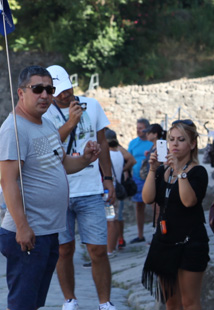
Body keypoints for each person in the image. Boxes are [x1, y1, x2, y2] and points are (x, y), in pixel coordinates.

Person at [0, 65, 101, 310]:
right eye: (38, 89)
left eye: (49, 89)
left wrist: (86, 158)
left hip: (48, 231)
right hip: (28, 235)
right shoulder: (14, 129)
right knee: (22, 303)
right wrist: (22, 227)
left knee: (33, 303)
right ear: (21, 92)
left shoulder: (44, 125)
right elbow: (7, 180)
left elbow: (60, 163)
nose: (45, 95)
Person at [44, 64, 117, 310]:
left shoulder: (92, 105)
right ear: (50, 92)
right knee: (64, 250)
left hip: (90, 189)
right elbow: (48, 147)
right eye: (59, 91)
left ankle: (105, 302)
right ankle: (69, 300)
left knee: (97, 249)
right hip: (59, 191)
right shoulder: (43, 114)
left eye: (68, 89)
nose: (65, 95)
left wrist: (108, 179)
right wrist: (71, 122)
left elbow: (103, 143)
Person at [141, 120, 210, 309]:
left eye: (181, 139)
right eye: (171, 139)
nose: (174, 144)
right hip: (164, 242)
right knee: (171, 302)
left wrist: (180, 171)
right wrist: (153, 169)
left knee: (189, 302)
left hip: (190, 243)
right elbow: (148, 198)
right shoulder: (163, 170)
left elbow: (189, 201)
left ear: (192, 144)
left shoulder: (198, 172)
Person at [104, 128, 136, 256]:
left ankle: (109, 250)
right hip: (115, 190)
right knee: (113, 219)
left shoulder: (107, 155)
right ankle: (112, 248)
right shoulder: (119, 154)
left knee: (109, 221)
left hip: (106, 193)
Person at [128, 118, 154, 244]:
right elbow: (128, 159)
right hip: (137, 178)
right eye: (137, 127)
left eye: (141, 128)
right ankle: (140, 234)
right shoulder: (133, 143)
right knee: (139, 206)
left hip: (150, 178)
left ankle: (157, 232)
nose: (138, 130)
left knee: (155, 206)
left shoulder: (151, 143)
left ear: (147, 129)